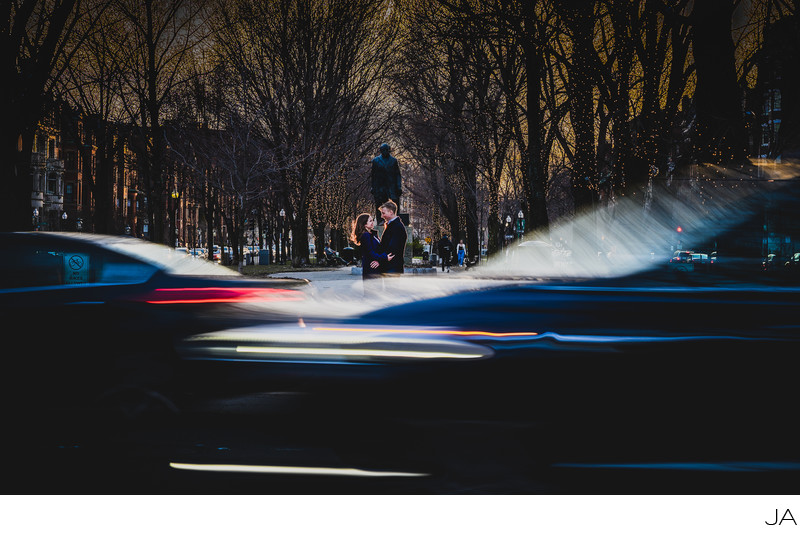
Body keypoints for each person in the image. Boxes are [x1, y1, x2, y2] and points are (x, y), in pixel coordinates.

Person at [351, 213, 393, 280]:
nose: (372, 222)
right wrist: (385, 257)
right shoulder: (366, 235)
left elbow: (379, 250)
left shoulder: (372, 234)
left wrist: (379, 261)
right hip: (371, 269)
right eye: (370, 221)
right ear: (364, 224)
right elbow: (370, 253)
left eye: (372, 220)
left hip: (375, 268)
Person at [370, 143, 402, 214]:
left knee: (395, 201)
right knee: (379, 203)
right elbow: (373, 175)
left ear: (388, 150)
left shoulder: (393, 161)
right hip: (380, 186)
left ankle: (396, 218)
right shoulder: (376, 160)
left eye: (386, 150)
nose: (385, 152)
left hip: (392, 185)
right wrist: (372, 187)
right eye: (383, 150)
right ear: (381, 151)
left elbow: (397, 175)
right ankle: (380, 221)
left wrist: (399, 186)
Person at [378, 200, 406, 273]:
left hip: (392, 266)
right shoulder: (393, 225)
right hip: (391, 265)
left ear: (391, 212)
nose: (382, 216)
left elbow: (392, 247)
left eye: (383, 213)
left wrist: (381, 258)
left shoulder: (397, 227)